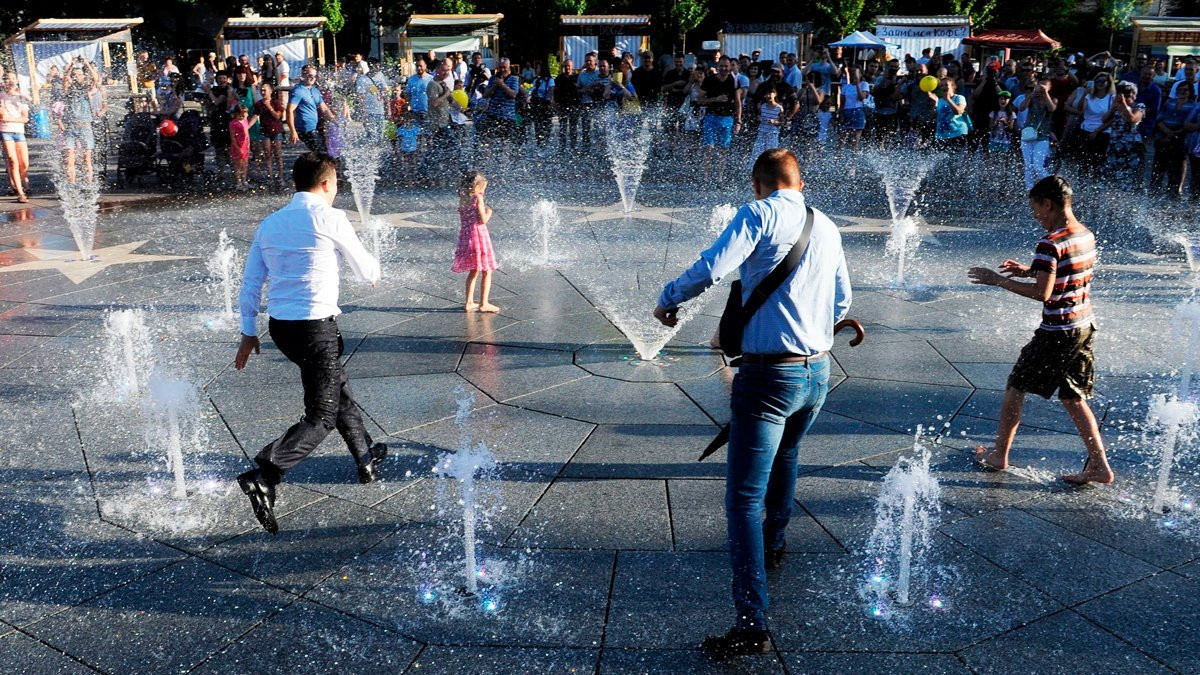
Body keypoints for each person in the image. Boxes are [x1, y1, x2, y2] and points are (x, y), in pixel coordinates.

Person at [653, 148, 851, 659]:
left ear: (759, 184)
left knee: (742, 499)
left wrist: (669, 298)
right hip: (818, 372)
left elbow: (712, 267)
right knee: (788, 455)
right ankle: (775, 542)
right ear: (799, 183)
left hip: (768, 376)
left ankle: (750, 623)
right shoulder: (827, 226)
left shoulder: (758, 214)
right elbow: (842, 300)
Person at [235, 152, 386, 534]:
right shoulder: (330, 218)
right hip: (317, 329)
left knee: (336, 388)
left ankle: (365, 457)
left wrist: (248, 331)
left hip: (282, 330)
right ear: (326, 183)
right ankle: (266, 474)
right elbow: (366, 269)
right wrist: (372, 269)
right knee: (322, 414)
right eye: (336, 184)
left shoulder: (270, 224)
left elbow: (251, 282)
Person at [968, 175, 1112, 486]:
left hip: (1057, 331)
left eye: (1036, 209)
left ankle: (999, 455)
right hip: (1083, 325)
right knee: (1073, 397)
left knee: (1016, 386)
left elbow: (1043, 293)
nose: (1036, 216)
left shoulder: (1050, 242)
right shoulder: (1085, 234)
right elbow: (1069, 272)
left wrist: (998, 280)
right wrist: (1029, 270)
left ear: (1048, 204)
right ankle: (1100, 466)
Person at [451, 171, 499, 313]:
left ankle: (469, 302)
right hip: (479, 236)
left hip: (466, 237)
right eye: (483, 187)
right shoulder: (478, 198)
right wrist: (489, 212)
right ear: (477, 186)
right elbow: (482, 220)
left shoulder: (463, 198)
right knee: (487, 270)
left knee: (474, 270)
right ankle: (484, 303)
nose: (484, 190)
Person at [698, 57, 741, 180]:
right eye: (721, 66)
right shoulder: (709, 80)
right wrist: (715, 99)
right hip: (711, 117)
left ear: (730, 67)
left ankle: (719, 177)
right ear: (717, 66)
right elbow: (699, 99)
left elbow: (738, 101)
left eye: (726, 66)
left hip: (727, 118)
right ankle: (706, 177)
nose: (724, 69)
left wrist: (738, 120)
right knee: (709, 147)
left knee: (723, 148)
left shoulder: (734, 80)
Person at [60, 59, 101, 185]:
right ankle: (72, 185)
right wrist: (71, 65)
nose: (76, 76)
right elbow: (64, 78)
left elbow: (96, 79)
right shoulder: (68, 90)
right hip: (71, 127)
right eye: (74, 75)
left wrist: (87, 64)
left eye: (79, 74)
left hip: (85, 126)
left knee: (86, 158)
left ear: (83, 76)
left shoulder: (86, 90)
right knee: (69, 157)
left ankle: (89, 184)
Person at [1100, 81, 1146, 186]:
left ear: (1134, 95)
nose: (1124, 98)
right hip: (1114, 146)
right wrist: (1113, 106)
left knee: (1129, 177)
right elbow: (1104, 120)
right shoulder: (1117, 107)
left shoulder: (1139, 106)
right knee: (1110, 175)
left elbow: (1133, 119)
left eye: (1127, 95)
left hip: (1131, 147)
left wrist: (1124, 105)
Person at [1016, 77, 1057, 191]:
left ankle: (1053, 185)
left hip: (1042, 137)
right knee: (1028, 166)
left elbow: (1051, 108)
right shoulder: (1032, 98)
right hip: (1027, 135)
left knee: (1037, 166)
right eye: (1039, 86)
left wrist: (1045, 94)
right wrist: (1030, 95)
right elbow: (1021, 108)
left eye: (1044, 86)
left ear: (1049, 88)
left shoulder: (1052, 99)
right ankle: (1029, 189)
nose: (1040, 89)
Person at [0, 72, 32, 202]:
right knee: (13, 161)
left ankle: (26, 185)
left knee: (24, 164)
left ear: (17, 81)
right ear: (4, 82)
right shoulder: (1, 96)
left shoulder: (21, 97)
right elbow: (2, 116)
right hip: (6, 131)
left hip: (19, 132)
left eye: (13, 78)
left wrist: (10, 119)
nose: (10, 81)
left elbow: (25, 118)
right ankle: (20, 193)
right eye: (8, 79)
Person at [288, 65, 334, 153]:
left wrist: (334, 120)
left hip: (314, 127)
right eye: (310, 75)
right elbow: (289, 110)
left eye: (314, 76)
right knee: (321, 153)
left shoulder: (315, 90)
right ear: (303, 75)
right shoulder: (298, 91)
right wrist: (293, 131)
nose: (312, 78)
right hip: (304, 130)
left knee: (323, 151)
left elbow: (324, 108)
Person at [253, 83, 285, 186]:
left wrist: (269, 107)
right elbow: (255, 116)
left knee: (277, 154)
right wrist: (247, 127)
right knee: (267, 154)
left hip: (276, 131)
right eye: (261, 90)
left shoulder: (276, 102)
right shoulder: (259, 104)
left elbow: (278, 116)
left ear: (270, 91)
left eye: (265, 90)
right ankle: (270, 177)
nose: (263, 92)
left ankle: (281, 177)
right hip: (264, 131)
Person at [747, 85, 783, 168]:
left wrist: (774, 122)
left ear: (775, 94)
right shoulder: (762, 106)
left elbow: (781, 122)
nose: (768, 95)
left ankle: (772, 168)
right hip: (762, 132)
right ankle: (754, 168)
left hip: (772, 133)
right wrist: (758, 119)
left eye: (770, 93)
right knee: (757, 152)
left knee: (771, 152)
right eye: (766, 94)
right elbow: (759, 117)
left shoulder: (779, 108)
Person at [933, 77, 970, 150]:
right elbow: (933, 116)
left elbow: (958, 112)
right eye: (941, 86)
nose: (944, 87)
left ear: (953, 86)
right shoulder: (939, 100)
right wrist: (935, 103)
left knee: (956, 156)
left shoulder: (959, 98)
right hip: (942, 135)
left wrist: (948, 99)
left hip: (958, 133)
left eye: (946, 85)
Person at [555, 59, 581, 151]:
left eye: (569, 66)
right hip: (562, 105)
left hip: (574, 104)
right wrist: (556, 104)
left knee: (573, 127)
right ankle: (562, 147)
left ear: (572, 66)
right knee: (563, 127)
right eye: (566, 66)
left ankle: (573, 147)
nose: (567, 68)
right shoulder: (559, 78)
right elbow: (556, 92)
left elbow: (579, 90)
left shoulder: (576, 77)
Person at [229, 104, 254, 190]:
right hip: (237, 146)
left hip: (245, 145)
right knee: (238, 165)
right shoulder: (233, 123)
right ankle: (238, 182)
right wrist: (238, 148)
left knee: (245, 164)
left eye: (245, 115)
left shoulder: (245, 120)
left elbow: (247, 133)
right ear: (236, 114)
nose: (243, 117)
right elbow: (232, 137)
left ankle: (244, 180)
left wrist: (249, 144)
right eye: (241, 115)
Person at [406, 58, 433, 125]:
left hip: (427, 111)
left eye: (421, 66)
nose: (419, 68)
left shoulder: (431, 79)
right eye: (417, 66)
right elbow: (408, 94)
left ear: (425, 66)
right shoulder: (411, 79)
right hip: (414, 111)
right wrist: (408, 106)